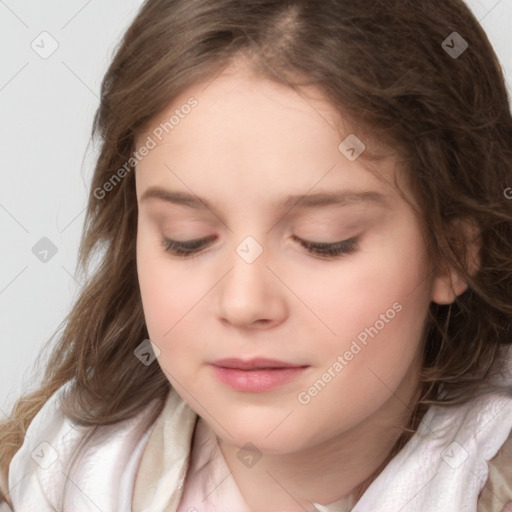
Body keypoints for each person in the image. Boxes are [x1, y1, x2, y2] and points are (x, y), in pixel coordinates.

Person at [1, 0, 512, 510]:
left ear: (454, 253)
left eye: (323, 240)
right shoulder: (52, 474)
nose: (244, 303)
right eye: (188, 238)